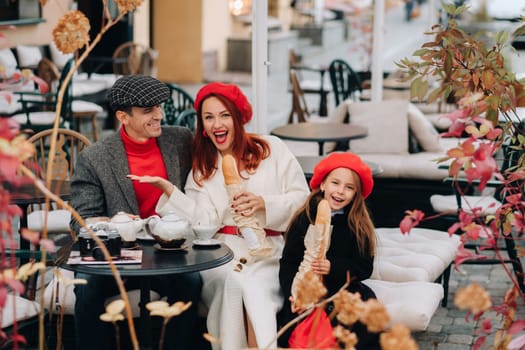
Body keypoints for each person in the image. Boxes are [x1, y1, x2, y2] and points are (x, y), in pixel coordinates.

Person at [128, 82, 310, 349]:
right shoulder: (202, 168)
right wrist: (169, 190)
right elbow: (202, 224)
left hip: (270, 251)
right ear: (202, 125)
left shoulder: (272, 150)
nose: (217, 124)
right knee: (234, 282)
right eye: (208, 117)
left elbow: (303, 202)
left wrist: (263, 204)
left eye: (224, 115)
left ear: (238, 118)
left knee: (255, 289)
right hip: (222, 255)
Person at [69, 75, 202, 350]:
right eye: (147, 111)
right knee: (87, 289)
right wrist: (114, 223)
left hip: (168, 253)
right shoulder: (95, 157)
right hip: (119, 255)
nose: (158, 116)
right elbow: (81, 220)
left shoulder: (180, 140)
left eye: (159, 107)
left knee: (191, 282)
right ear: (123, 116)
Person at [278, 152, 380, 349]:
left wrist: (333, 267)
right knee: (298, 323)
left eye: (349, 187)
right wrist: (294, 293)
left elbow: (365, 267)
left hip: (342, 289)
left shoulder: (357, 225)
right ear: (323, 184)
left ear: (355, 195)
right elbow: (289, 261)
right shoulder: (304, 218)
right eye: (335, 183)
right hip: (307, 289)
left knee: (360, 320)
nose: (340, 191)